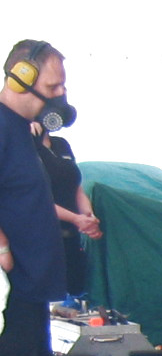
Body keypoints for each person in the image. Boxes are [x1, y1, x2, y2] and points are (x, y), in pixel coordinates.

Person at [0, 39, 77, 356]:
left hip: (36, 290)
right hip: (15, 292)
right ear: (23, 75)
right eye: (53, 84)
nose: (61, 93)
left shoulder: (23, 134)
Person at [32, 122, 100, 296]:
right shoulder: (25, 147)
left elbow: (75, 186)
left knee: (76, 288)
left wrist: (88, 217)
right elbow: (36, 198)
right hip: (42, 238)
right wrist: (75, 219)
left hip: (71, 238)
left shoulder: (61, 144)